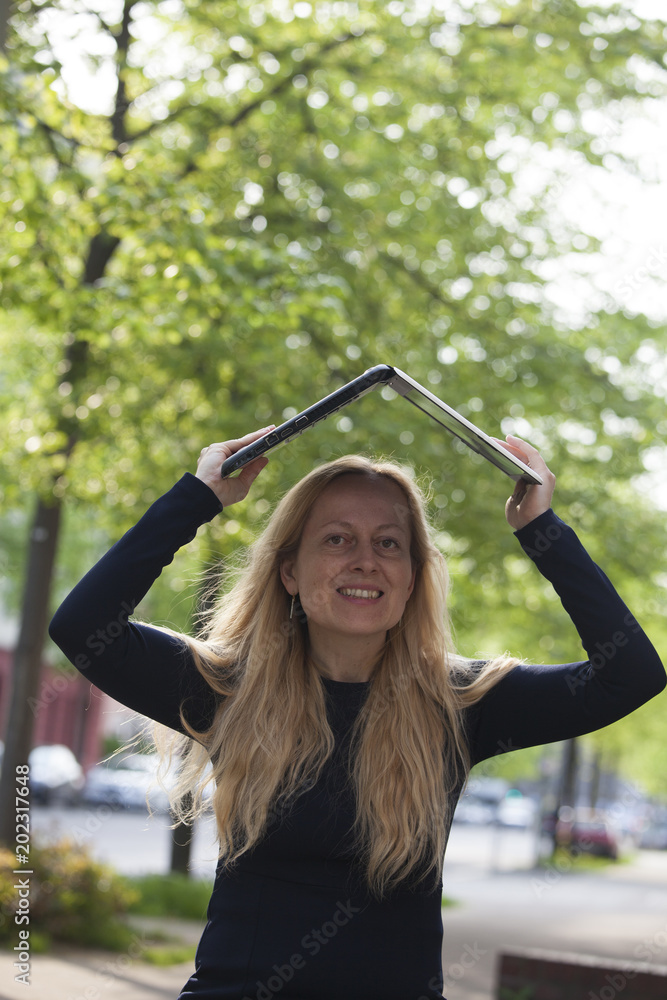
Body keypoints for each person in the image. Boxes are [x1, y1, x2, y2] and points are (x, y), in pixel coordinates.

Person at [49, 428, 665, 1000]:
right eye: (337, 538)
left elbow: (631, 674)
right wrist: (199, 495)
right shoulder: (229, 689)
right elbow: (82, 626)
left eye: (389, 543)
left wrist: (542, 529)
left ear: (412, 579)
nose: (365, 560)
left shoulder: (462, 704)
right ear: (290, 571)